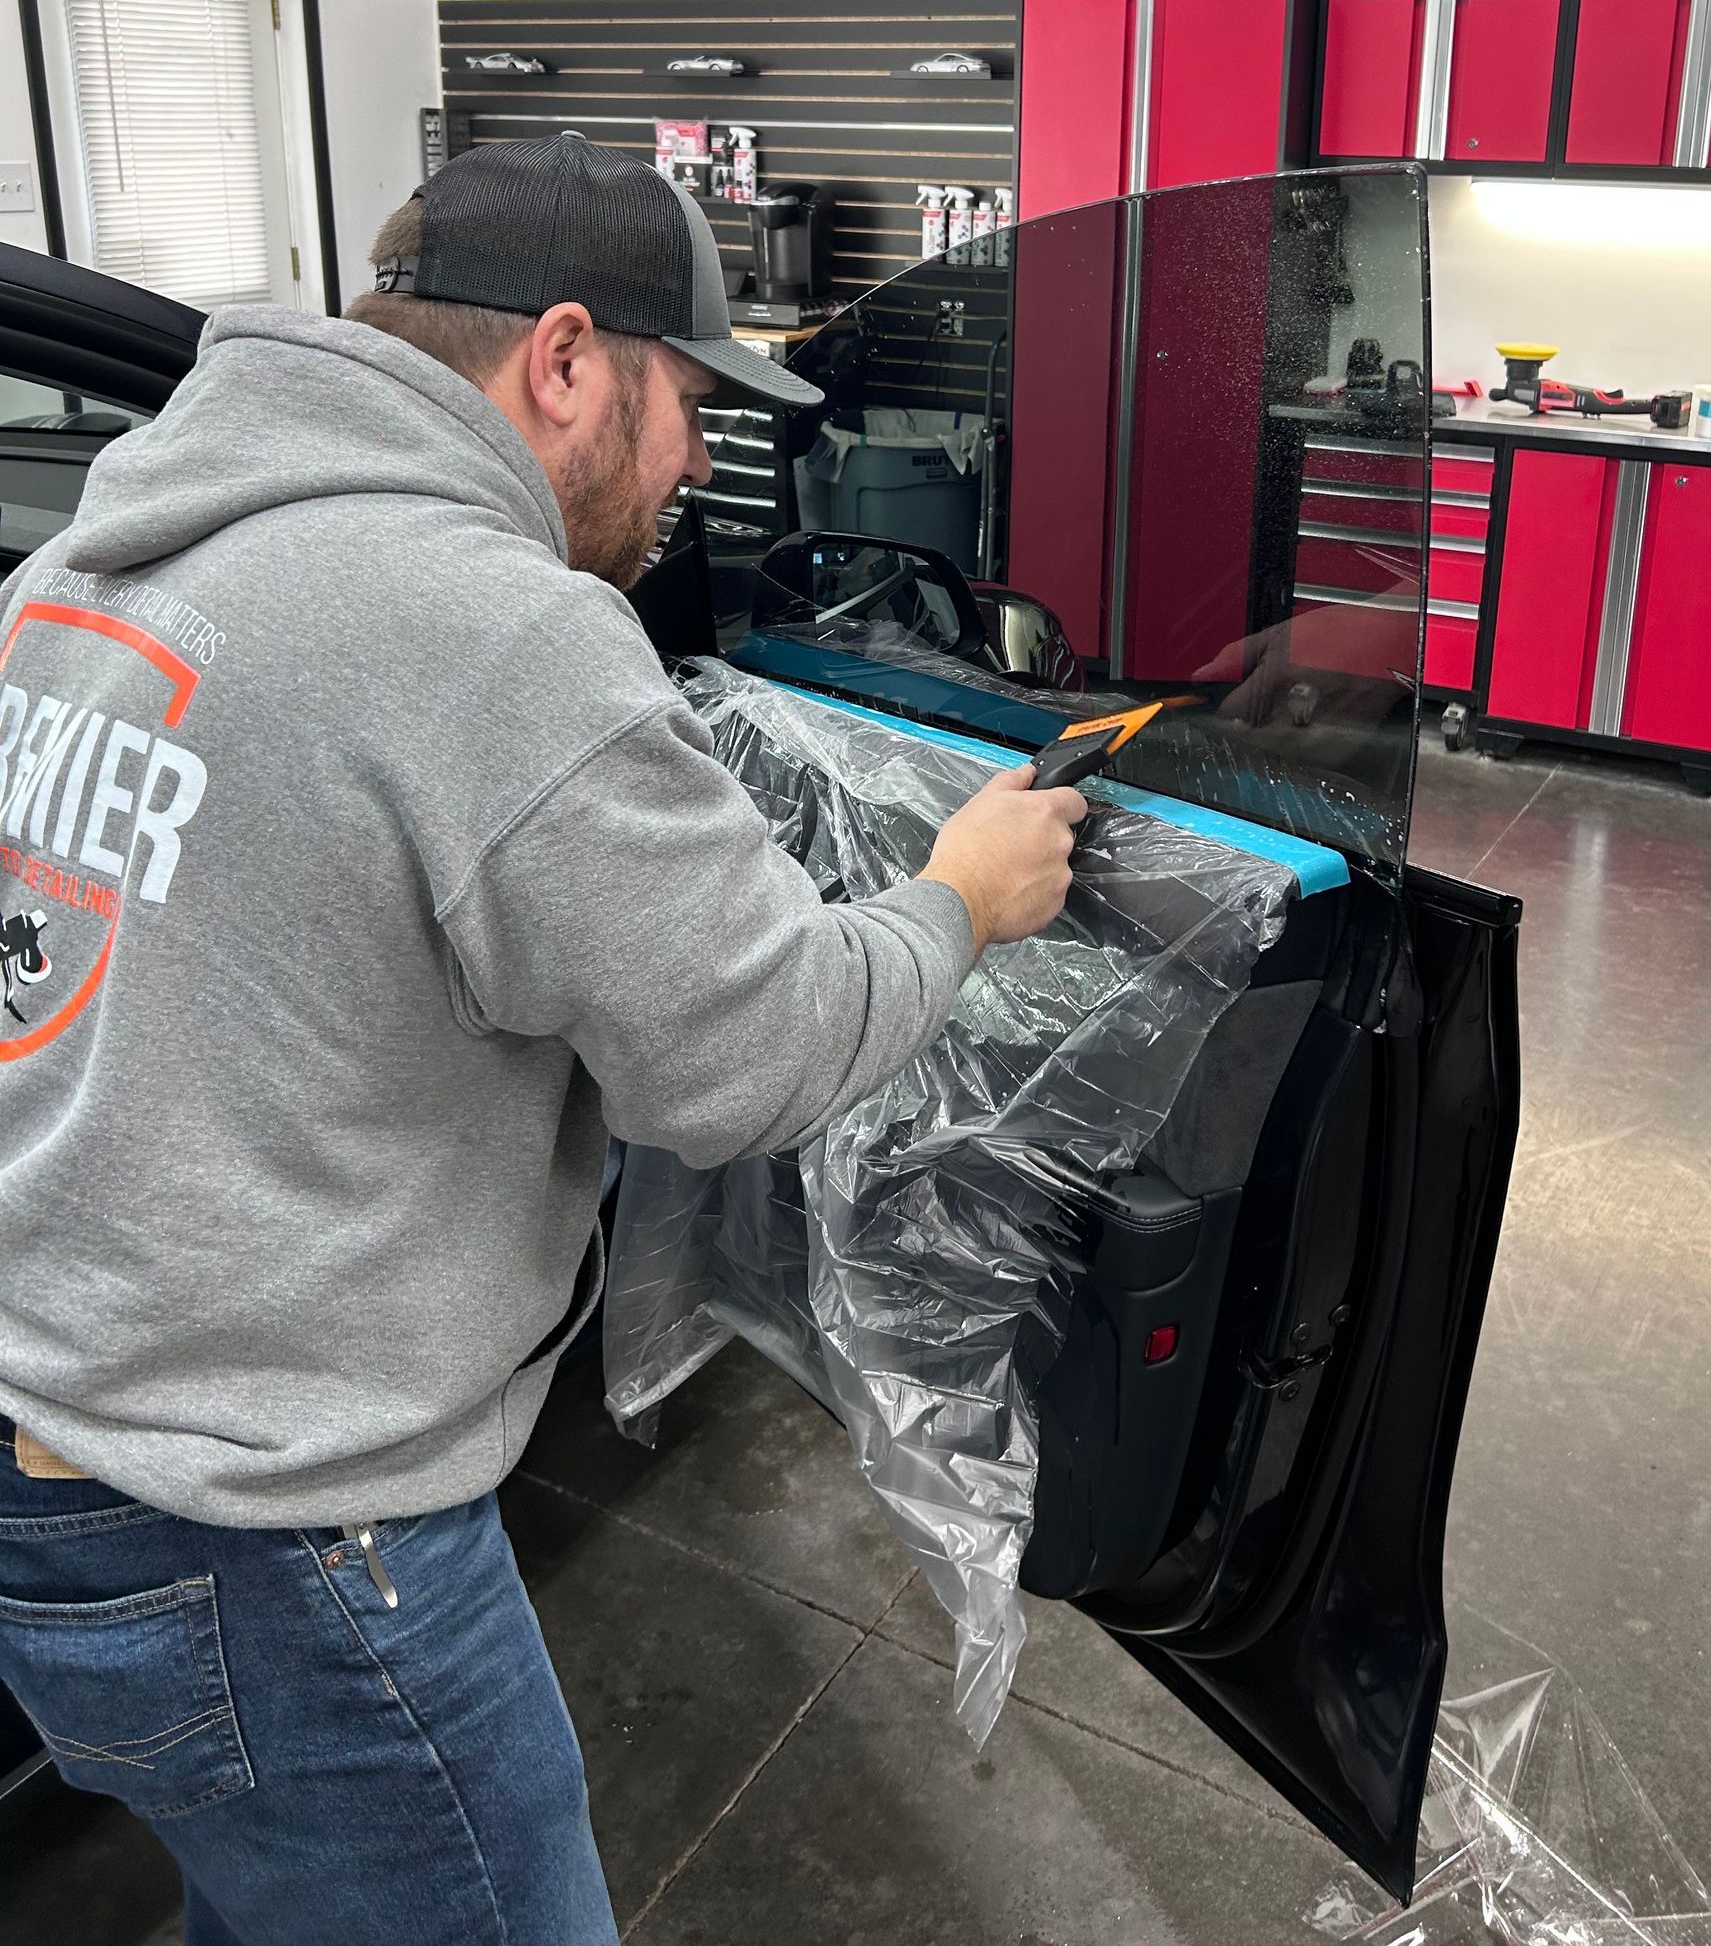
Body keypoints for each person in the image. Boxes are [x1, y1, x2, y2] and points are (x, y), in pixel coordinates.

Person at [0, 133, 1085, 1945]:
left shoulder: (81, 578)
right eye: (685, 410)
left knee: (270, 1900)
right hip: (289, 1542)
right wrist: (960, 898)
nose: (690, 470)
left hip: (56, 1480)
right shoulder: (497, 634)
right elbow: (751, 1062)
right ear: (565, 360)